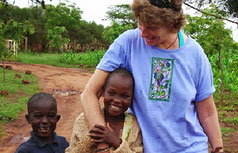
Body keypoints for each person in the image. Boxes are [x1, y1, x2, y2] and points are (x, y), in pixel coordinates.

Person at [80, 0, 224, 152]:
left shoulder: (195, 54)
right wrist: (103, 146)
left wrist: (218, 146)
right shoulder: (129, 43)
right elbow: (89, 93)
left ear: (172, 23)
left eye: (151, 27)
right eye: (140, 24)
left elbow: (207, 113)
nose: (142, 33)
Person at [66, 68, 143, 153]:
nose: (117, 100)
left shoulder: (135, 126)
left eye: (124, 96)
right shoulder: (83, 120)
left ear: (132, 98)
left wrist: (117, 142)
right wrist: (90, 139)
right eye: (111, 93)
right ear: (103, 92)